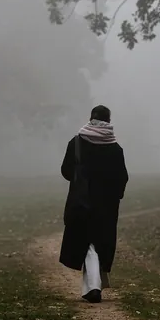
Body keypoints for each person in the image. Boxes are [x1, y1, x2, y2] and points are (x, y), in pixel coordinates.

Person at [59, 105, 129, 303]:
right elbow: (122, 177)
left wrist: (79, 179)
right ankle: (94, 285)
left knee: (86, 242)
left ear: (91, 118)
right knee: (99, 243)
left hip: (82, 201)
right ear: (108, 121)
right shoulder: (115, 148)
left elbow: (66, 171)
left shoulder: (77, 143)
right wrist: (115, 195)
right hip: (106, 205)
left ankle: (94, 286)